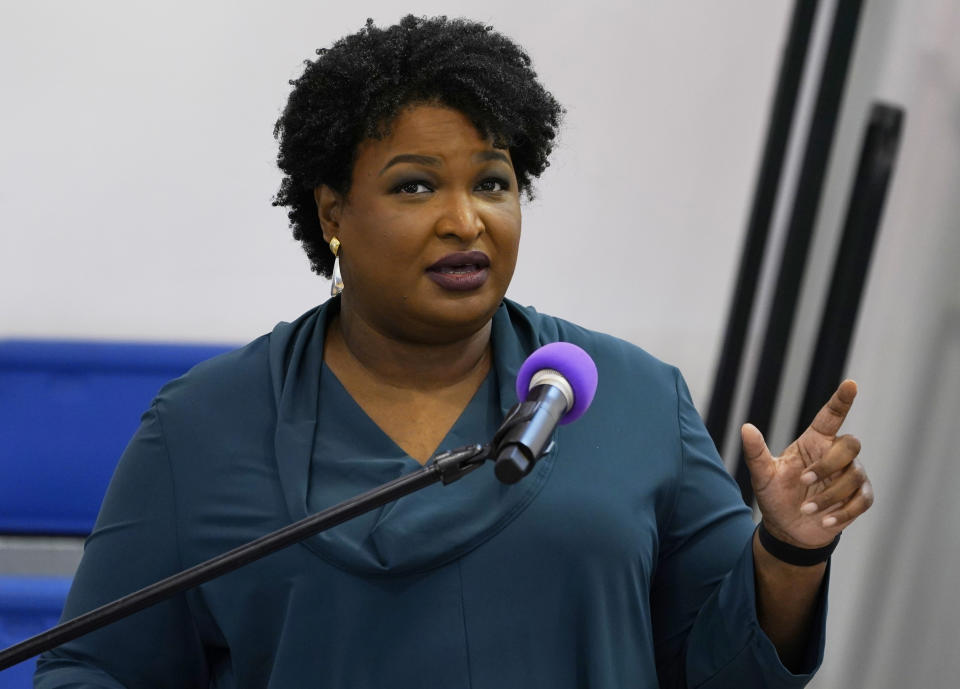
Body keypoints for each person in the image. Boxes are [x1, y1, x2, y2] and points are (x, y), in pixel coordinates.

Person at [34, 14, 873, 689]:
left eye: (493, 182)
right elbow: (93, 666)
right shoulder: (204, 426)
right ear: (332, 212)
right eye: (415, 184)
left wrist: (792, 547)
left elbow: (727, 665)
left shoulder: (635, 398)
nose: (466, 219)